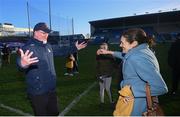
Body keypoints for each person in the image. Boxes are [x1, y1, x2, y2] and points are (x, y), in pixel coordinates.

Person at [16, 22, 87, 116]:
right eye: (43, 32)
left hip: (51, 89)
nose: (46, 35)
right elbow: (20, 62)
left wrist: (75, 48)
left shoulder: (47, 46)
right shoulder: (28, 47)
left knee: (54, 113)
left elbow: (61, 51)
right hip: (38, 92)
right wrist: (23, 64)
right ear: (35, 32)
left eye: (47, 32)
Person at [97, 28, 168, 116]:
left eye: (122, 43)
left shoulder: (137, 57)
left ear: (134, 43)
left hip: (135, 107)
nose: (120, 45)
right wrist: (108, 52)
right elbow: (126, 56)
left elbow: (160, 87)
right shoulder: (140, 51)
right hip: (137, 103)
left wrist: (131, 91)